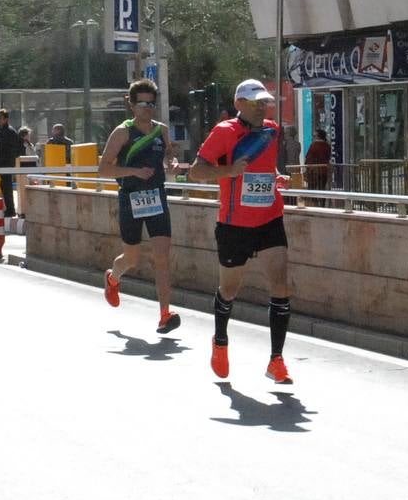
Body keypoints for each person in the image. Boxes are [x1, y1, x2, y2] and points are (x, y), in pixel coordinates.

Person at [187, 79, 294, 384]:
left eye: (265, 102)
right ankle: (220, 340)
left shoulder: (272, 130)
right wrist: (228, 172)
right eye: (257, 102)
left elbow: (265, 166)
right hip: (235, 224)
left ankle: (276, 360)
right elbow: (196, 170)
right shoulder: (224, 132)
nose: (263, 107)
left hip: (270, 217)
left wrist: (276, 177)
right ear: (240, 104)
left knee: (281, 284)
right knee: (229, 289)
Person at [99, 79, 184, 335]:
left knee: (162, 257)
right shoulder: (122, 132)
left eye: (151, 103)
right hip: (130, 197)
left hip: (156, 196)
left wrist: (172, 162)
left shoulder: (162, 130)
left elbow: (169, 153)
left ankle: (165, 314)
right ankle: (113, 278)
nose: (147, 108)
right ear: (132, 104)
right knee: (132, 259)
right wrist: (134, 171)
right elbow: (104, 169)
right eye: (142, 103)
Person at [0, 108, 22, 217]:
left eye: (0, 118)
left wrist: (10, 159)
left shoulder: (10, 131)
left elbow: (17, 147)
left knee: (7, 186)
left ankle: (10, 210)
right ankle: (9, 209)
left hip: (7, 164)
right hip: (2, 163)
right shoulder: (1, 130)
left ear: (6, 119)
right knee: (3, 186)